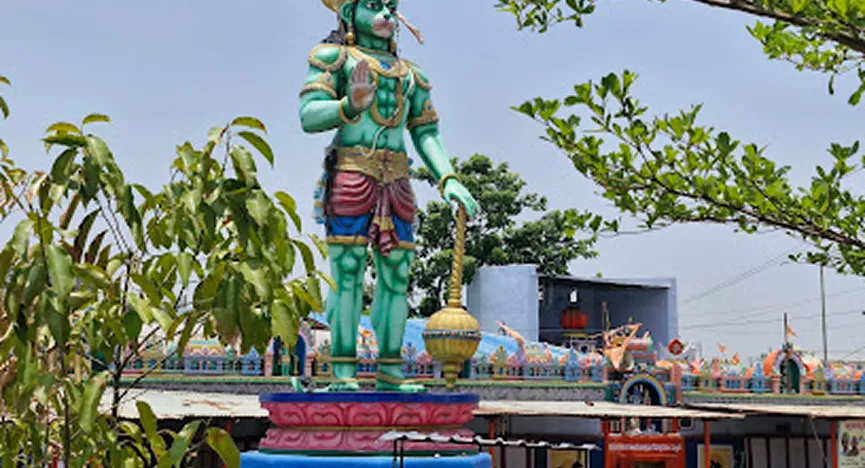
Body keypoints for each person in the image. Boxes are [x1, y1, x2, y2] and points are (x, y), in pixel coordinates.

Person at [300, 0, 479, 392]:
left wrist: (448, 177)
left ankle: (390, 369)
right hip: (351, 172)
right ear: (348, 13)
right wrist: (348, 105)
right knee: (346, 274)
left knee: (398, 275)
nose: (384, 14)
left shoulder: (411, 75)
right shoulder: (335, 59)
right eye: (373, 5)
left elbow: (426, 132)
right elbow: (308, 115)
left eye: (390, 6)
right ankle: (343, 371)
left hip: (397, 179)